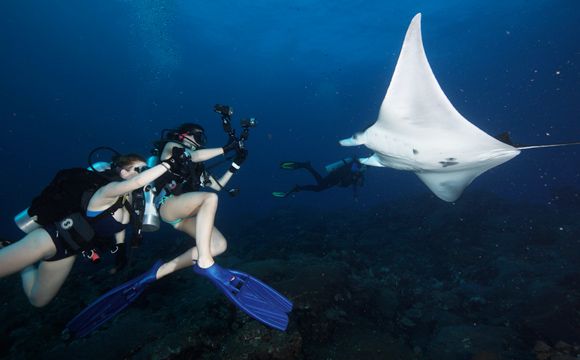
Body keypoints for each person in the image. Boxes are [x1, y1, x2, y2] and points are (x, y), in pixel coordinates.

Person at [65, 123, 292, 338]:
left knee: (218, 245)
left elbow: (216, 185)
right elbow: (192, 158)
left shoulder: (196, 164)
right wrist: (226, 148)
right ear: (184, 135)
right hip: (168, 207)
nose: (200, 141)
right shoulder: (172, 148)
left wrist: (235, 165)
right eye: (198, 136)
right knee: (209, 200)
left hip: (183, 214)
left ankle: (158, 273)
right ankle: (204, 263)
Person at [0, 152, 182, 307]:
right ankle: (14, 250)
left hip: (69, 250)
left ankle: (23, 264)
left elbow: (120, 222)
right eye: (139, 169)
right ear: (124, 172)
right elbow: (137, 182)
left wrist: (120, 249)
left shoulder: (129, 201)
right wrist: (169, 163)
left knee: (38, 300)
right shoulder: (108, 191)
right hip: (48, 239)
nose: (145, 173)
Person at [272, 157, 367, 198]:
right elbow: (347, 177)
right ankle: (306, 168)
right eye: (360, 183)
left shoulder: (355, 177)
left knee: (319, 186)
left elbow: (353, 185)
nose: (358, 184)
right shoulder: (356, 172)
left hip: (334, 179)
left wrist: (355, 195)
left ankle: (306, 170)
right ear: (360, 179)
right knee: (319, 187)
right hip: (334, 177)